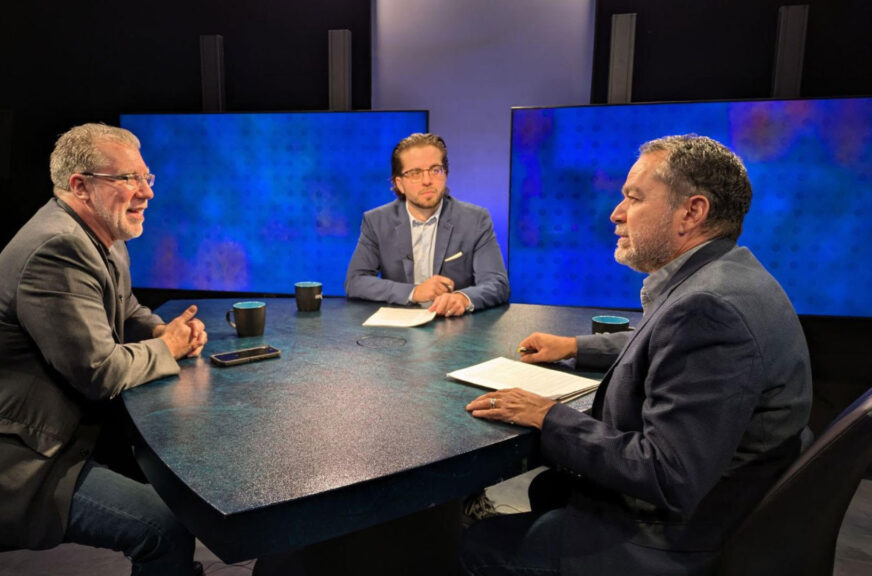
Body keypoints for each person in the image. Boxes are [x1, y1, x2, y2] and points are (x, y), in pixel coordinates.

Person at [462, 135, 812, 575]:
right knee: (551, 488)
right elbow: (668, 344)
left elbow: (667, 472)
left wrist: (547, 416)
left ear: (692, 212)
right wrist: (573, 346)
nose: (616, 213)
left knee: (482, 543)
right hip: (727, 508)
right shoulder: (728, 277)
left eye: (633, 197)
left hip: (677, 540)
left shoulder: (709, 309)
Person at [0, 123, 208, 575]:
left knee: (185, 476)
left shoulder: (101, 233)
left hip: (64, 432)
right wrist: (169, 348)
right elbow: (100, 372)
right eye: (128, 180)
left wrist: (165, 330)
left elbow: (124, 308)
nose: (146, 193)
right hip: (19, 465)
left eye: (147, 178)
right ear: (80, 186)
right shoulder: (57, 248)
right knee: (164, 527)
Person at [345, 132, 509, 316]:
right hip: (398, 332)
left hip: (456, 331)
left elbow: (497, 283)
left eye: (435, 170)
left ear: (445, 174)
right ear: (399, 183)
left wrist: (462, 298)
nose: (427, 181)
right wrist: (413, 292)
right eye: (415, 173)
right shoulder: (377, 221)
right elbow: (355, 281)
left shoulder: (475, 220)